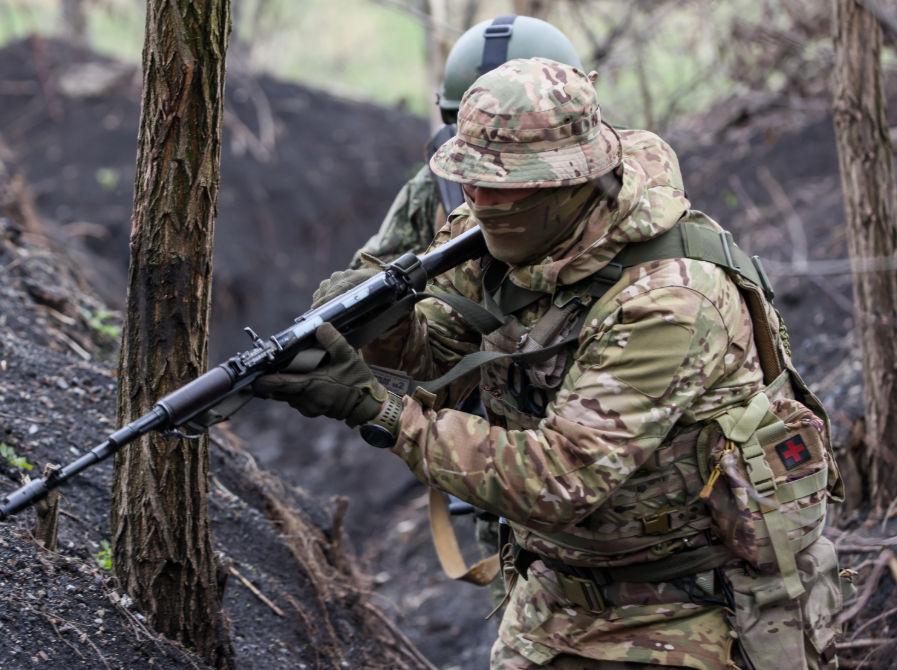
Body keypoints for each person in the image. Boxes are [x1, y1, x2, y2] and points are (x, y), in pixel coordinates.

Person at [257, 58, 847, 669]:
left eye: (500, 183)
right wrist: (383, 327)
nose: (477, 201)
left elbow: (560, 478)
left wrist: (377, 410)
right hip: (553, 594)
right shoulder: (501, 228)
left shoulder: (669, 300)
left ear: (570, 181)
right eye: (469, 179)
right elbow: (438, 354)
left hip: (690, 610)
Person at [348, 15, 586, 609]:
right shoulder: (434, 189)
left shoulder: (609, 190)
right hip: (483, 422)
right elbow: (378, 291)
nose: (485, 187)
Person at [351, 15, 583, 268]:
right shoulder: (433, 188)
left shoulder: (612, 175)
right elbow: (364, 271)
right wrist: (420, 271)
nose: (482, 199)